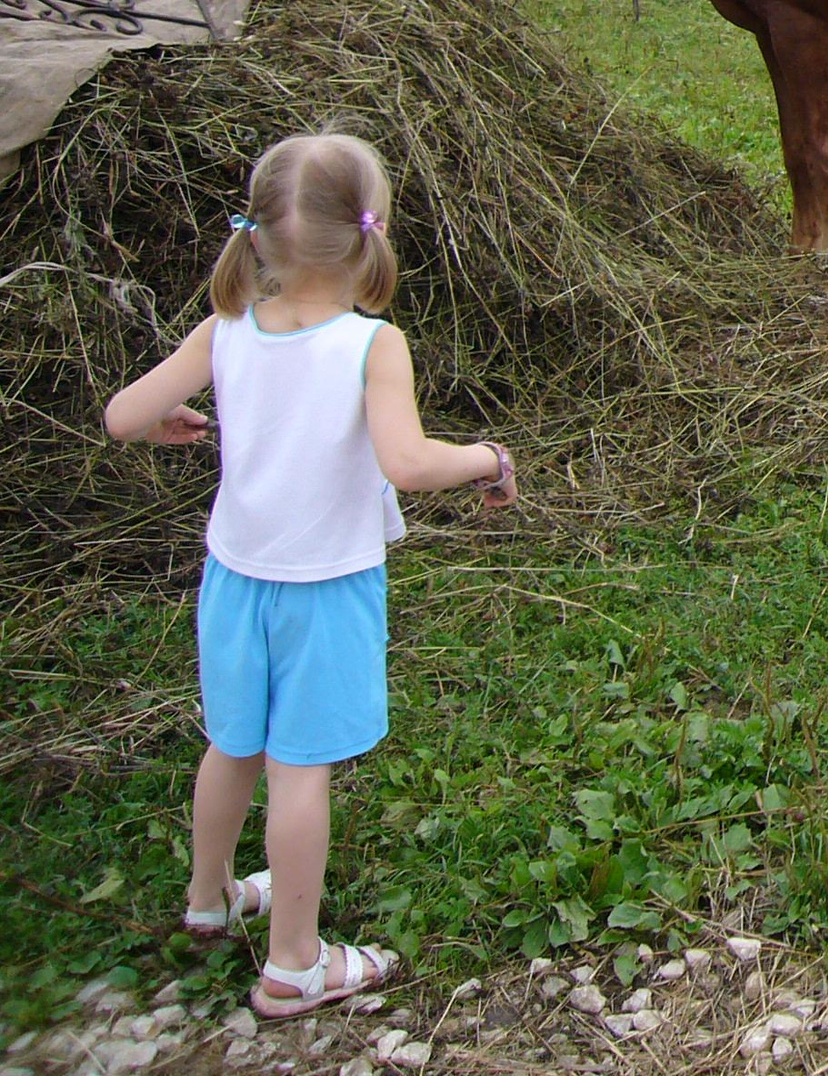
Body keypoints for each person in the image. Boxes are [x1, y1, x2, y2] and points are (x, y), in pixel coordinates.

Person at [103, 134, 518, 1019]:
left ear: (259, 238)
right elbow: (406, 463)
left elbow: (121, 416)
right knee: (300, 772)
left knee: (232, 747)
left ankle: (209, 899)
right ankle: (294, 966)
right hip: (323, 590)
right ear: (370, 237)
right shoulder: (373, 344)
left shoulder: (226, 329)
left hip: (234, 582)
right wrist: (487, 456)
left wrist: (167, 415)